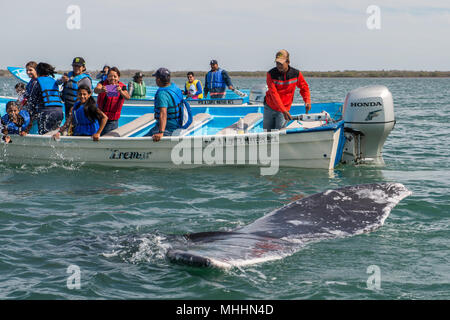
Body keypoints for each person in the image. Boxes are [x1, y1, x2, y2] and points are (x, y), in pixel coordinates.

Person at [263, 49, 311, 130]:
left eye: (281, 63)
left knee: (279, 134)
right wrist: (283, 110)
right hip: (270, 107)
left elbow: (304, 88)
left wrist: (307, 101)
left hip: (284, 110)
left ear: (288, 62)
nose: (279, 66)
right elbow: (274, 94)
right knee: (267, 133)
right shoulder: (270, 74)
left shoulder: (296, 74)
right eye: (277, 63)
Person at [145, 68, 183, 141]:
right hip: (177, 125)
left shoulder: (162, 94)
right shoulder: (174, 87)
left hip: (168, 129)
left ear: (158, 79)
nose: (155, 80)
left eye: (156, 78)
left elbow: (163, 113)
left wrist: (161, 132)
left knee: (139, 141)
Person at [94, 67, 130, 135]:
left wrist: (120, 91)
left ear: (118, 77)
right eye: (110, 76)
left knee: (109, 139)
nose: (112, 78)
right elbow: (96, 90)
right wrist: (101, 90)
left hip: (112, 121)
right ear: (107, 77)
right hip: (100, 118)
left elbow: (127, 97)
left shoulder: (122, 87)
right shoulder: (102, 83)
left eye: (115, 76)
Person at [34, 62, 64, 135]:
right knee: (54, 133)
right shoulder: (53, 81)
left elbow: (32, 99)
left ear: (37, 71)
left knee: (44, 134)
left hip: (46, 112)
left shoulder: (37, 82)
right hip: (59, 112)